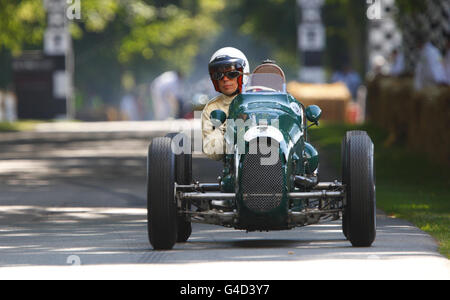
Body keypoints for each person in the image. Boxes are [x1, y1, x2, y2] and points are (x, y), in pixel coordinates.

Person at [201, 47, 250, 161]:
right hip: (237, 165)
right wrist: (225, 127)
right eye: (219, 75)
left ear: (244, 74)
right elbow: (213, 152)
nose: (225, 79)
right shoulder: (213, 108)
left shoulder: (260, 99)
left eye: (232, 74)